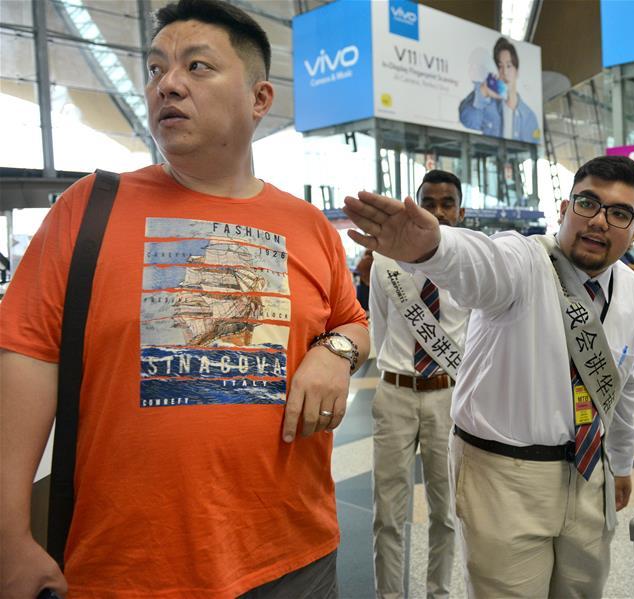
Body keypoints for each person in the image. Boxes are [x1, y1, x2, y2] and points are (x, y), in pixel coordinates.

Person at [0, 1, 369, 597]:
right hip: (131, 567)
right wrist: (6, 534)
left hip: (294, 555)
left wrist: (337, 350)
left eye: (197, 67)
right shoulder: (89, 208)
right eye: (155, 69)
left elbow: (352, 320)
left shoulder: (308, 226)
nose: (166, 83)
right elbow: (25, 359)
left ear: (259, 99)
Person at [344, 156, 634, 597]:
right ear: (564, 210)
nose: (599, 221)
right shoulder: (525, 262)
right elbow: (480, 264)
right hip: (506, 477)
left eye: (620, 213)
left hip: (589, 475)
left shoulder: (632, 292)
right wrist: (434, 249)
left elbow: (626, 386)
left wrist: (621, 462)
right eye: (588, 203)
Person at [369, 169, 469, 599]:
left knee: (447, 513)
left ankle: (438, 593)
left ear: (460, 211)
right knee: (387, 514)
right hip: (394, 393)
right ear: (415, 206)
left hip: (448, 395)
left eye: (447, 203)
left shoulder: (470, 265)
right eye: (429, 202)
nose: (438, 211)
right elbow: (379, 330)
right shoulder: (385, 262)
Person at [458, 37, 540, 143]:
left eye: (509, 66)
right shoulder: (485, 102)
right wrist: (484, 92)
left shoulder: (529, 117)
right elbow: (467, 120)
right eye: (500, 66)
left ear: (517, 71)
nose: (504, 72)